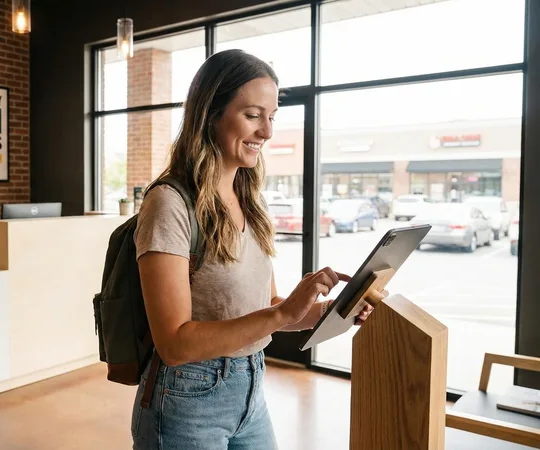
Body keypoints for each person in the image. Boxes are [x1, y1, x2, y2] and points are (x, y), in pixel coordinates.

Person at [130, 49, 379, 449]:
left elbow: (270, 309)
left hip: (250, 389)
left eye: (272, 116)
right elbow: (174, 345)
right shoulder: (169, 203)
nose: (267, 131)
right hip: (186, 399)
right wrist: (281, 311)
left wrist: (335, 312)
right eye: (252, 115)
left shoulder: (251, 201)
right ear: (210, 113)